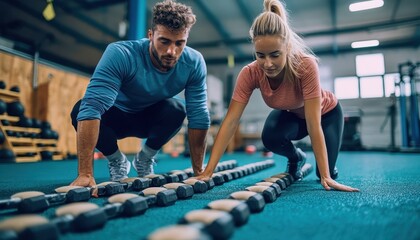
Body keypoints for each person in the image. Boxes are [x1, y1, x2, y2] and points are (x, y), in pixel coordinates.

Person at [197, 0, 359, 192]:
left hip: (326, 115)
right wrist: (208, 170)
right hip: (293, 115)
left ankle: (327, 170)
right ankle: (296, 157)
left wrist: (325, 176)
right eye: (260, 55)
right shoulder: (250, 73)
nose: (267, 64)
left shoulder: (305, 66)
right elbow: (231, 121)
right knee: (271, 136)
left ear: (287, 47)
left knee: (325, 174)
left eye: (275, 55)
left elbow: (313, 124)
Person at [70, 0, 210, 191]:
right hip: (115, 118)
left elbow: (199, 116)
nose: (171, 51)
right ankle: (117, 161)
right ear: (151, 35)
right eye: (164, 41)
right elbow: (92, 106)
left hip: (149, 118)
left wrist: (198, 171)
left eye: (180, 43)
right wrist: (85, 173)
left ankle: (145, 158)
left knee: (178, 109)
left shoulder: (194, 62)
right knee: (79, 110)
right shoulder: (121, 53)